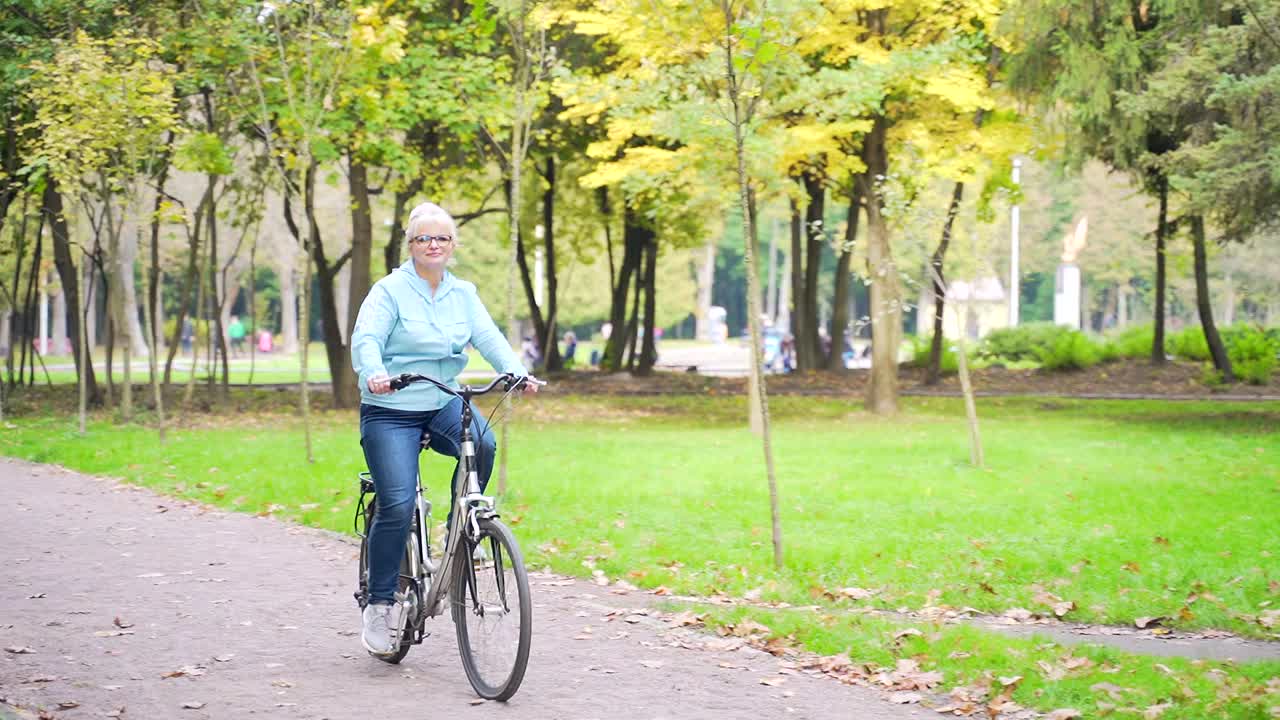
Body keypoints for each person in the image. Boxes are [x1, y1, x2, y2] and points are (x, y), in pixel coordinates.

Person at [350, 201, 537, 657]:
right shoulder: (389, 291)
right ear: (411, 246)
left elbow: (489, 337)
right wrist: (374, 371)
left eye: (442, 238)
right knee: (396, 503)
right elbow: (366, 338)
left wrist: (517, 371)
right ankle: (379, 604)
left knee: (484, 445)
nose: (433, 245)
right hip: (391, 405)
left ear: (453, 245)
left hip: (441, 400)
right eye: (424, 238)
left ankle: (462, 532)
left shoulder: (463, 293)